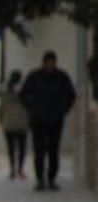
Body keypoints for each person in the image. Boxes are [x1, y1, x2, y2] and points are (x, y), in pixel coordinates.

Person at [19, 51, 76, 191]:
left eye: (52, 63)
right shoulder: (35, 77)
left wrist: (64, 110)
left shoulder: (61, 77)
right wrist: (32, 109)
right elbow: (23, 94)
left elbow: (71, 95)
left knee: (53, 150)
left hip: (56, 120)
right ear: (43, 63)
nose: (50, 65)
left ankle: (51, 179)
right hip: (38, 120)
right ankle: (40, 180)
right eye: (48, 63)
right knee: (39, 150)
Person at [0, 70, 29, 180]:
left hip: (9, 123)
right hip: (21, 123)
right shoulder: (24, 91)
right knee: (21, 148)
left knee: (11, 149)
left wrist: (1, 121)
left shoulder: (5, 93)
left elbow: (1, 109)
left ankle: (12, 170)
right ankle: (19, 169)